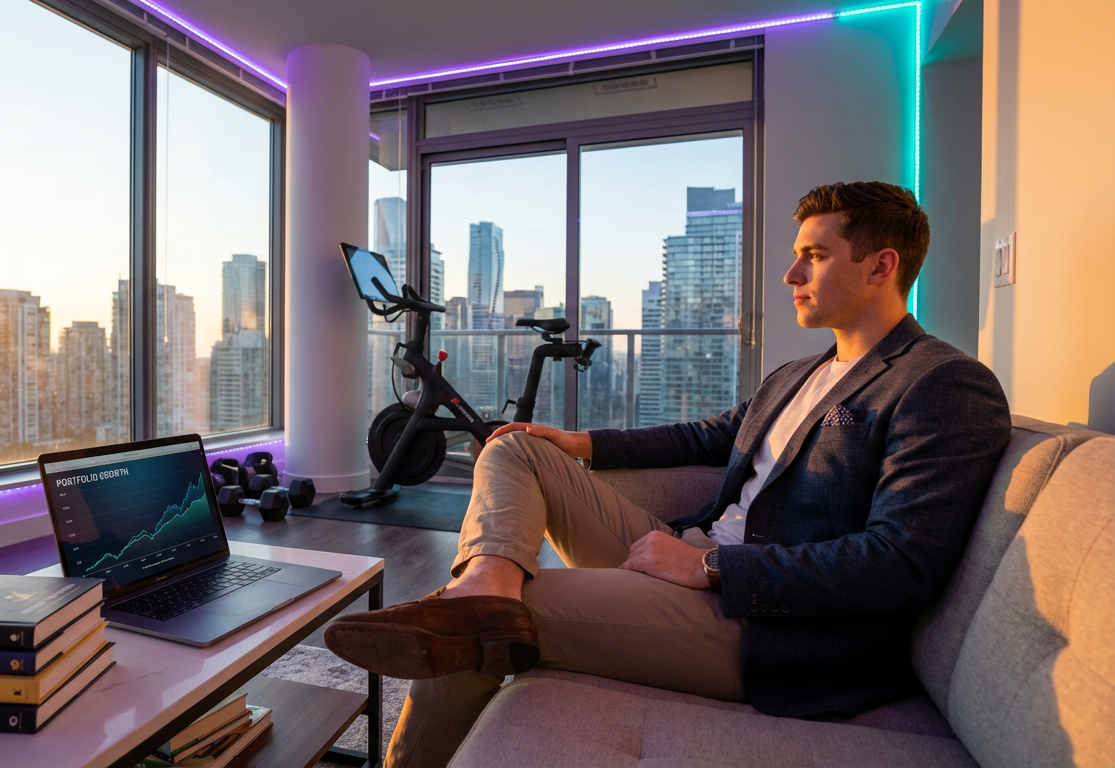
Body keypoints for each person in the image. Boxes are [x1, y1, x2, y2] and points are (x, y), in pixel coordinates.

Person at [325, 181, 1011, 767]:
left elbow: (900, 563)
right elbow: (707, 436)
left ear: (880, 265)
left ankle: (474, 623)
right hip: (690, 550)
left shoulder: (942, 383)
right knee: (512, 447)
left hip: (762, 621)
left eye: (814, 256)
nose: (791, 275)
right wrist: (577, 441)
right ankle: (488, 579)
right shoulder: (799, 372)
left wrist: (710, 569)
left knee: (477, 630)